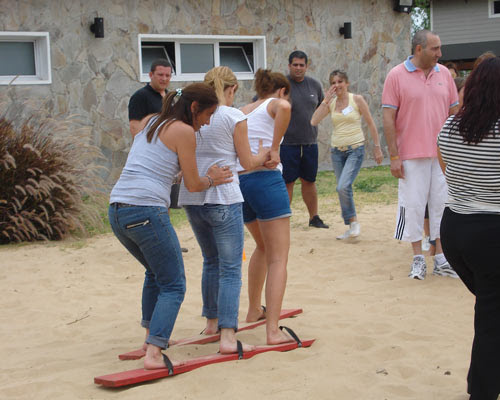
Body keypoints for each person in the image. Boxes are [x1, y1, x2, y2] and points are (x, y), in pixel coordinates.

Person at [108, 83, 232, 371]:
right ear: (193, 108)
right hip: (146, 209)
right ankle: (154, 353)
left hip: (117, 210)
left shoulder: (152, 122)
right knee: (174, 284)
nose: (209, 121)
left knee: (155, 273)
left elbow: (160, 167)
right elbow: (193, 184)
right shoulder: (184, 131)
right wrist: (213, 177)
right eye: (208, 113)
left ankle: (149, 339)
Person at [178, 66, 269, 354]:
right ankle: (228, 335)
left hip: (193, 196)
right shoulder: (233, 116)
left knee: (211, 261)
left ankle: (211, 322)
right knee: (230, 268)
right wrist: (264, 155)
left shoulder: (189, 117)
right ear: (230, 90)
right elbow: (246, 161)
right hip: (224, 195)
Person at [437, 57, 500, 400]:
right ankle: (482, 391)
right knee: (492, 317)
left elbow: (447, 170)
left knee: (492, 310)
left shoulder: (450, 128)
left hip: (456, 230)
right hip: (490, 232)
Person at [382, 29, 459, 280]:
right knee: (413, 206)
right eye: (435, 48)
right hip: (411, 155)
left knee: (442, 205)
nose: (440, 53)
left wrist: (456, 151)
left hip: (442, 156)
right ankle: (417, 258)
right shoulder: (396, 75)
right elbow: (388, 118)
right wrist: (394, 156)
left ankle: (440, 258)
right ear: (419, 49)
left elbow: (454, 114)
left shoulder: (444, 74)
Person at [239, 69, 295, 344]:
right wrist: (275, 148)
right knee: (278, 257)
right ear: (281, 89)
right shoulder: (274, 103)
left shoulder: (242, 109)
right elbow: (283, 106)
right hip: (265, 179)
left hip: (242, 183)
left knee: (262, 247)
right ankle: (272, 331)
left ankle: (253, 310)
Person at [311, 70, 383, 239]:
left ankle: (354, 222)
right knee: (344, 188)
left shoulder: (356, 99)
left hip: (355, 149)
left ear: (347, 83)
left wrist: (377, 147)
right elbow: (313, 121)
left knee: (342, 186)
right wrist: (325, 101)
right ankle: (351, 225)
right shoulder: (331, 103)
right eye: (333, 83)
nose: (337, 85)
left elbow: (371, 123)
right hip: (337, 151)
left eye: (340, 82)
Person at [280, 50, 328, 229]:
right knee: (288, 182)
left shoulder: (314, 85)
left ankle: (314, 217)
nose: (298, 68)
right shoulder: (282, 86)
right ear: (289, 66)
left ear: (306, 66)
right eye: (295, 65)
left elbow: (323, 107)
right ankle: (283, 218)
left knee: (309, 181)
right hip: (287, 144)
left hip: (310, 142)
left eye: (302, 65)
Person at [128, 59, 172, 136]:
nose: (164, 79)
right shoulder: (140, 96)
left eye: (167, 75)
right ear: (151, 75)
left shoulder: (169, 96)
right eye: (160, 75)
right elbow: (134, 128)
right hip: (151, 146)